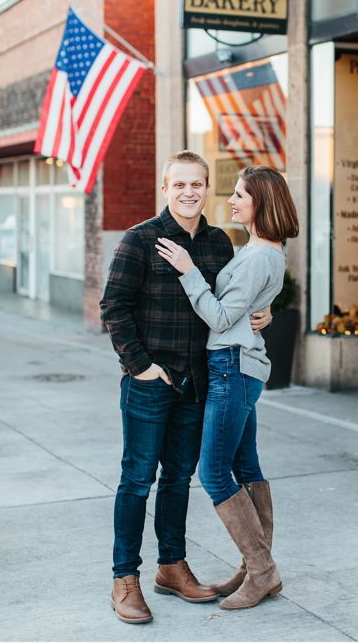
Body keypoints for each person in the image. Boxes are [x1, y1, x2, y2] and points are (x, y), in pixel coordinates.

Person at [101, 150, 272, 624]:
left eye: (197, 184)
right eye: (179, 185)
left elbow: (233, 302)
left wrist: (266, 313)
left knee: (178, 478)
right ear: (165, 188)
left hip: (201, 382)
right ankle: (124, 578)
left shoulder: (219, 243)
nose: (189, 192)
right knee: (137, 479)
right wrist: (139, 366)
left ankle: (171, 566)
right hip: (151, 383)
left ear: (206, 187)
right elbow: (113, 306)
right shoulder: (140, 240)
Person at [156, 164, 298, 611]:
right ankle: (256, 567)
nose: (231, 201)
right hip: (239, 365)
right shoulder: (263, 251)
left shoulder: (258, 256)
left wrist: (187, 269)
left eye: (240, 195)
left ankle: (261, 569)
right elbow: (250, 305)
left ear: (262, 204)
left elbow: (219, 318)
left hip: (230, 369)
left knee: (214, 472)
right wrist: (264, 310)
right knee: (246, 465)